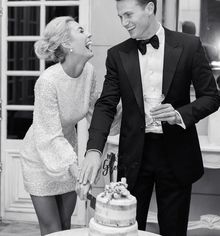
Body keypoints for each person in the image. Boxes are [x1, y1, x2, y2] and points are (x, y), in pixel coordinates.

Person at [78, 0, 220, 235]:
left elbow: (211, 97)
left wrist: (179, 115)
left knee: (173, 229)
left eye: (128, 14)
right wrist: (93, 150)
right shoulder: (117, 55)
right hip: (134, 154)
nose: (124, 23)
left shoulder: (189, 45)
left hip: (177, 152)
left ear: (150, 8)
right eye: (120, 16)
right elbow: (105, 105)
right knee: (127, 228)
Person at [20, 16, 94, 235]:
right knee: (52, 229)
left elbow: (95, 113)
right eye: (81, 31)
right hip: (40, 155)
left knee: (65, 224)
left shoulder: (89, 72)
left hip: (66, 152)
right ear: (67, 44)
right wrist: (77, 171)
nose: (88, 34)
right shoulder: (47, 82)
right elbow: (50, 135)